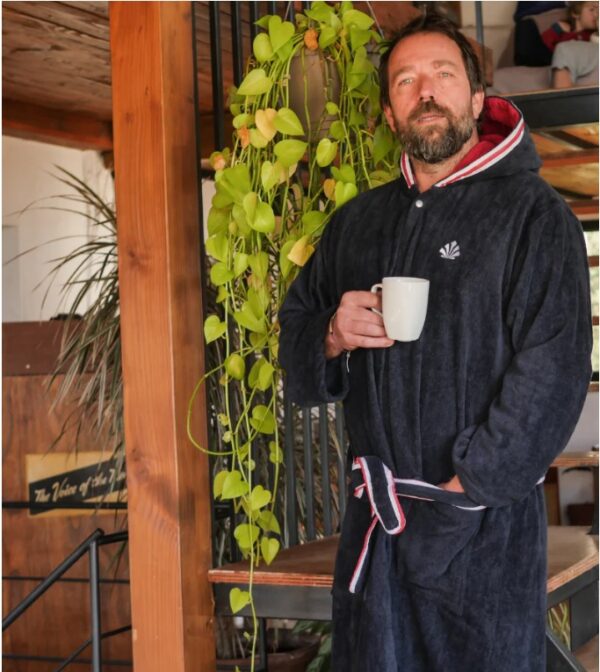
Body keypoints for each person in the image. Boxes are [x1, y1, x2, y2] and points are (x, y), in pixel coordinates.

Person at [279, 12, 592, 672]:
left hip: (482, 533)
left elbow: (553, 373)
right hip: (377, 535)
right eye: (406, 81)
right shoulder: (358, 223)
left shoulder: (534, 215)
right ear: (389, 112)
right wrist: (331, 334)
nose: (425, 91)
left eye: (443, 75)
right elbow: (297, 319)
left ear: (476, 98)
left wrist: (463, 491)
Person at [541, 1, 599, 87]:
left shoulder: (593, 35)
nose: (596, 14)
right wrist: (556, 29)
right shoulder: (564, 32)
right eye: (592, 10)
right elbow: (543, 45)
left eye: (598, 11)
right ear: (575, 13)